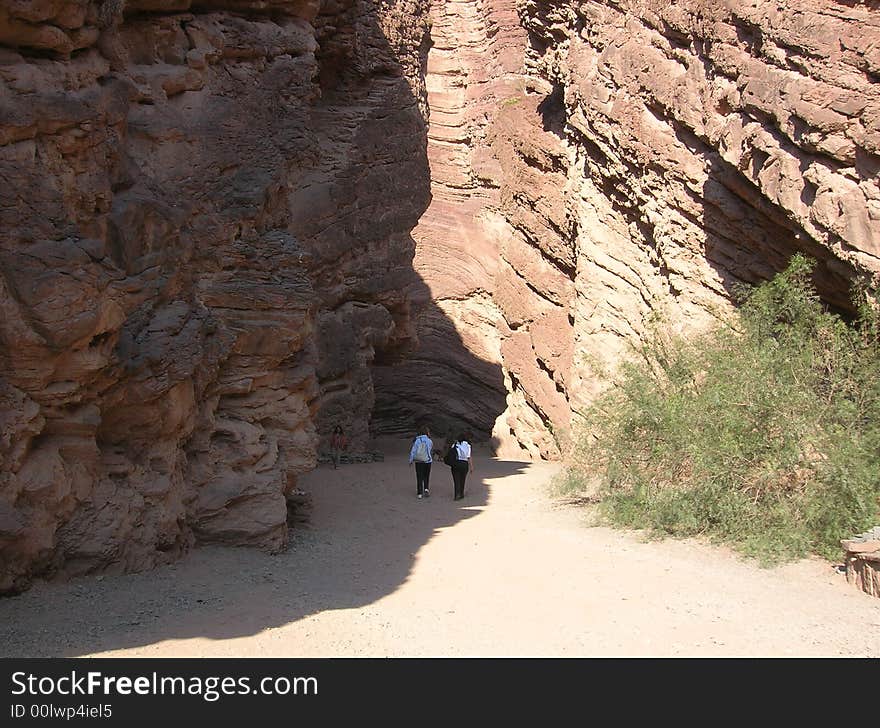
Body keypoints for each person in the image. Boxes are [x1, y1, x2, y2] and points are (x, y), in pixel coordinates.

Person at [409, 425, 433, 499]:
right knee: (426, 475)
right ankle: (426, 489)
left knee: (419, 476)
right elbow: (430, 448)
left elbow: (413, 451)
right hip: (427, 460)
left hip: (419, 461)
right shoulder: (429, 441)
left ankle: (419, 493)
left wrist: (411, 460)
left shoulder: (417, 440)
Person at [449, 431, 473, 501]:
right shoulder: (468, 446)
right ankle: (461, 493)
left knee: (456, 480)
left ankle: (456, 494)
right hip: (464, 463)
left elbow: (451, 453)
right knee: (463, 479)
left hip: (456, 463)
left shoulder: (455, 445)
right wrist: (471, 466)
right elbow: (469, 457)